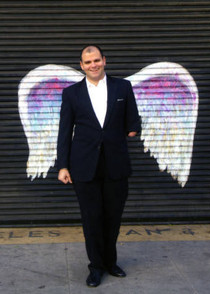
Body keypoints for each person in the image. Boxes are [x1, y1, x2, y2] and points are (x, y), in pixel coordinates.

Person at [56, 45, 141, 287]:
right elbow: (64, 132)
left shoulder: (122, 87)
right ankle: (95, 267)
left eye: (96, 60)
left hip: (116, 164)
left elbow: (133, 120)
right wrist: (63, 166)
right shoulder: (71, 93)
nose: (93, 65)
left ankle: (110, 262)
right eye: (87, 62)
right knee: (91, 218)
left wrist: (132, 128)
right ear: (81, 66)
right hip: (83, 166)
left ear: (104, 60)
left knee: (113, 218)